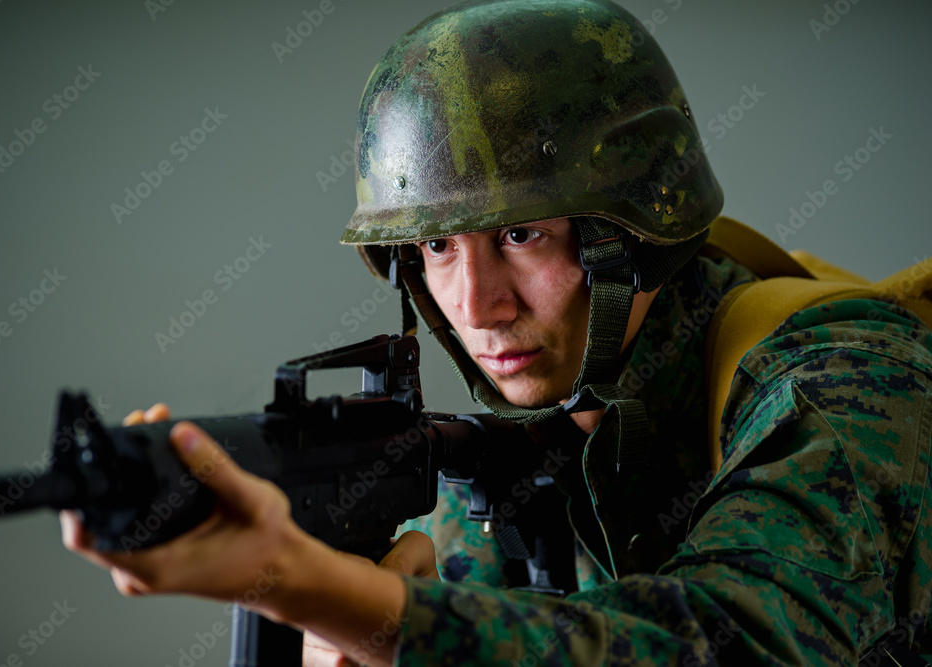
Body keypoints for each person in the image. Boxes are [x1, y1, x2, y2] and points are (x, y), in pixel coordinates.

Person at [62, 0, 932, 664]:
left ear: (633, 232)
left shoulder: (847, 381)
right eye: (438, 246)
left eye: (521, 235)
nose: (474, 305)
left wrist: (342, 599)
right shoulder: (511, 457)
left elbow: (733, 637)